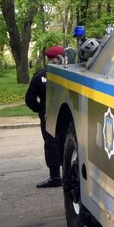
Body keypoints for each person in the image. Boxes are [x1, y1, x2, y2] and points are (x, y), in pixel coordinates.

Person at [26, 46, 66, 188]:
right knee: (67, 142)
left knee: (51, 144)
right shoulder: (69, 76)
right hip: (67, 115)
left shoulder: (39, 76)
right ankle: (69, 175)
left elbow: (29, 99)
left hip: (48, 115)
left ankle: (55, 176)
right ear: (61, 58)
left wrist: (40, 110)